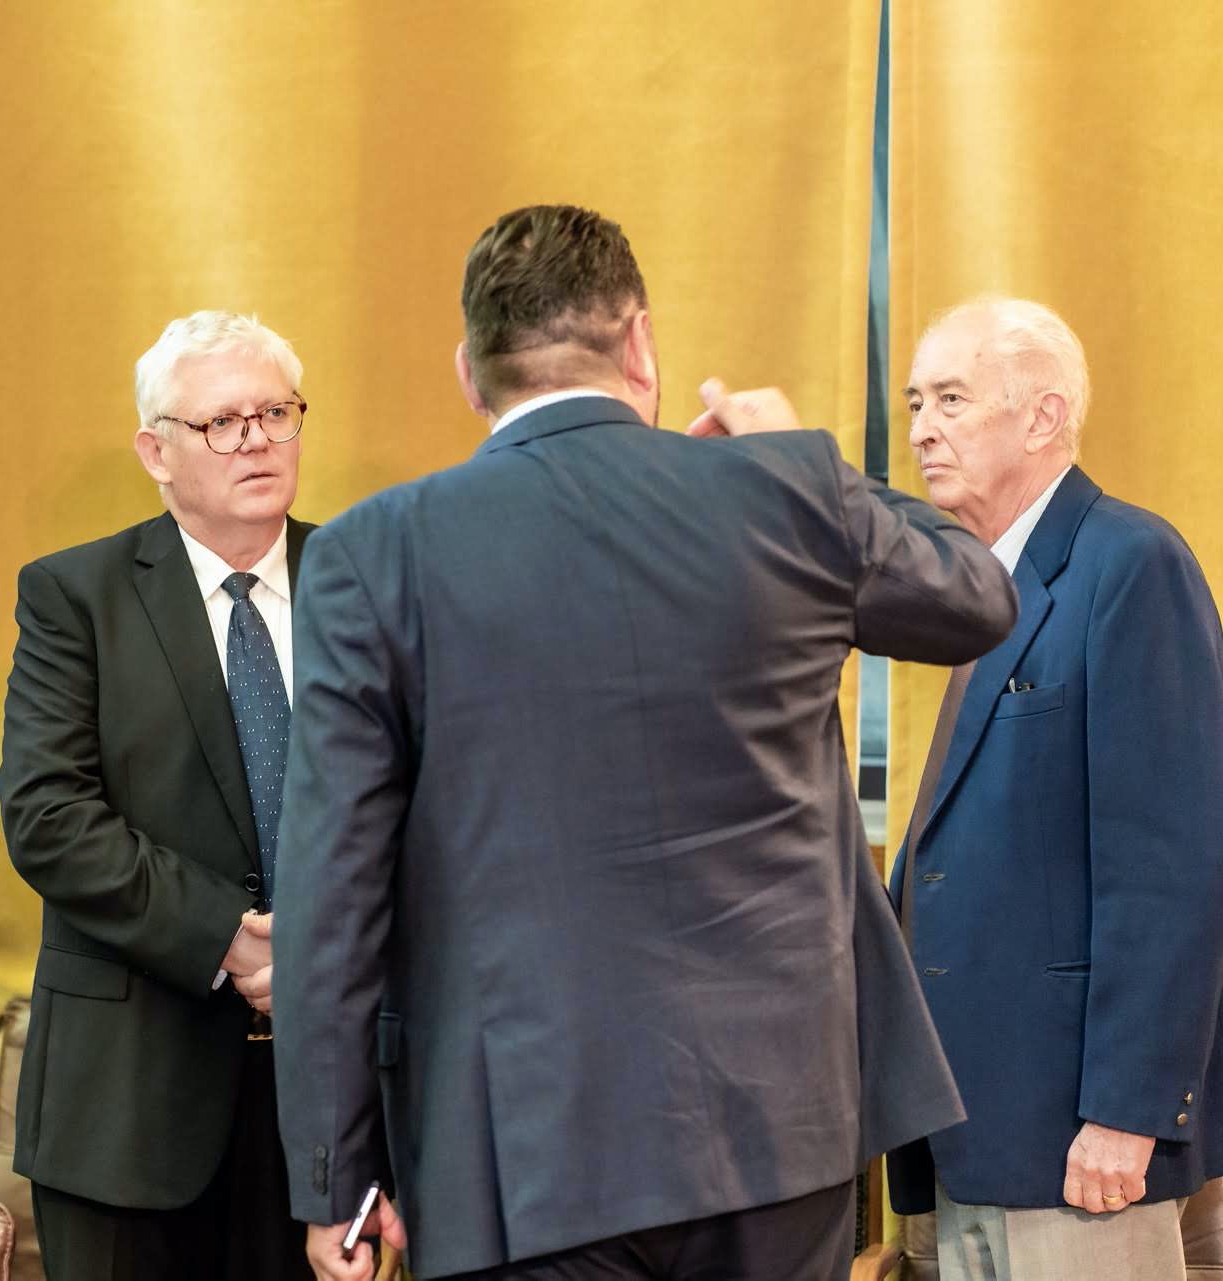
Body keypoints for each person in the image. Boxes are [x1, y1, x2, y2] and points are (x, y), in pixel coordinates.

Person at [270, 204, 1019, 1281]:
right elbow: (977, 596)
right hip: (778, 1131)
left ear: (470, 376)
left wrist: (337, 1180)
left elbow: (332, 893)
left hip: (518, 1148)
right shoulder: (786, 496)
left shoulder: (370, 554)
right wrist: (802, 463)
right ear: (641, 345)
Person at [876, 298, 1223, 1278]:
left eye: (951, 398)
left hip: (1083, 1147)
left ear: (1044, 417)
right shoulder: (988, 581)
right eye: (914, 402)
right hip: (971, 1129)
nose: (921, 429)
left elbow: (1170, 866)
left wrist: (1128, 1109)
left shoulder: (1130, 562)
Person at [0, 311, 313, 1278]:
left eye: (275, 413)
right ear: (157, 453)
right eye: (221, 422)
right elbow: (48, 818)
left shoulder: (365, 579)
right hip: (127, 1108)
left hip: (323, 1106)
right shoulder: (76, 596)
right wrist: (229, 935)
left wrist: (324, 941)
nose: (256, 439)